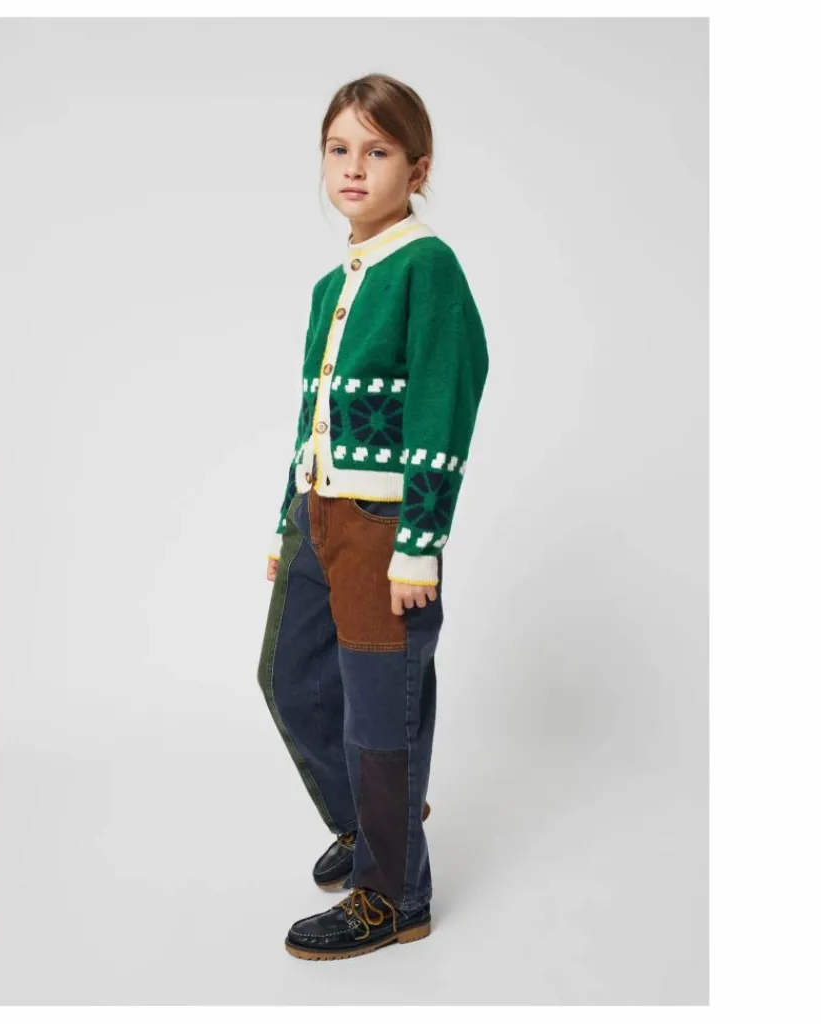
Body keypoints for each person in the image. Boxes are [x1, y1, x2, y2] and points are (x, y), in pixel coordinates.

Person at [256, 73, 490, 960]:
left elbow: (443, 402)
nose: (354, 167)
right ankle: (370, 817)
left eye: (378, 150)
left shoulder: (427, 267)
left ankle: (395, 895)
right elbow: (311, 413)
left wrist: (419, 544)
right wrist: (286, 521)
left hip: (385, 526)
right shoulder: (333, 284)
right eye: (339, 148)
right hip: (318, 514)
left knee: (378, 713)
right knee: (289, 678)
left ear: (417, 169)